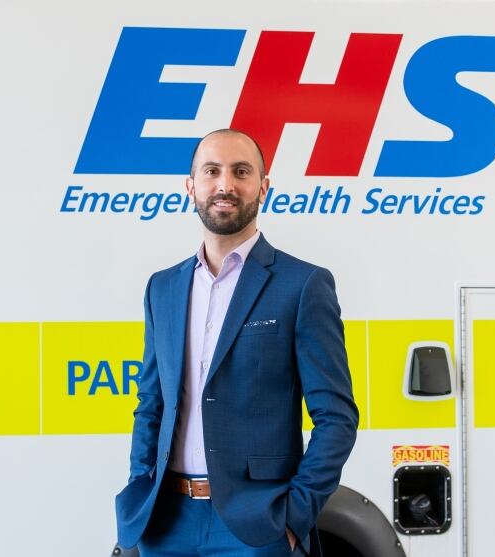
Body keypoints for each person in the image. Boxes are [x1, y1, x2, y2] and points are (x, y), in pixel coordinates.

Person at [114, 129, 358, 556]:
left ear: (262, 187)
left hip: (255, 528)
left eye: (241, 172)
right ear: (191, 187)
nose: (225, 185)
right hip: (166, 522)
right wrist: (140, 482)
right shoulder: (163, 288)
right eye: (212, 172)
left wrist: (292, 516)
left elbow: (336, 418)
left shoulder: (302, 285)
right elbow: (151, 401)